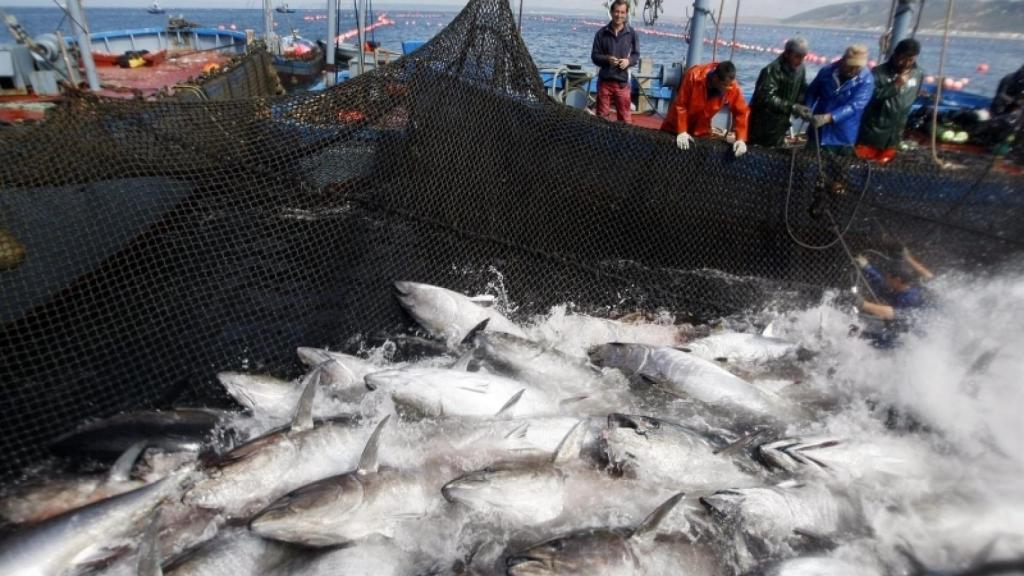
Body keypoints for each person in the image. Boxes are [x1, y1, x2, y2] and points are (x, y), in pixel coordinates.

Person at [660, 60, 750, 157]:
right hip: (675, 126)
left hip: (701, 131)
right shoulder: (693, 75)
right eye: (724, 85)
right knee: (665, 154)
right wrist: (682, 131)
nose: (727, 88)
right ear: (715, 78)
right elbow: (681, 105)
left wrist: (741, 139)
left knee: (698, 161)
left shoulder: (731, 86)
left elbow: (741, 112)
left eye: (729, 85)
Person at [856, 39, 925, 164]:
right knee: (861, 164)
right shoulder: (878, 73)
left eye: (911, 60)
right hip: (873, 131)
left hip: (895, 133)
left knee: (884, 166)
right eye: (904, 58)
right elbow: (867, 97)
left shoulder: (918, 73)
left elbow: (913, 95)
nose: (906, 63)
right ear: (896, 54)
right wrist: (894, 86)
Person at [853, 248, 933, 347]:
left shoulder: (911, 297)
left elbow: (893, 314)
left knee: (864, 339)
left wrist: (861, 303)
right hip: (898, 332)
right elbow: (880, 282)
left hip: (912, 341)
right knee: (858, 334)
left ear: (897, 280)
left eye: (888, 277)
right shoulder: (899, 289)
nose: (886, 279)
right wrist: (866, 266)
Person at [804, 44, 875, 155]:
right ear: (843, 60)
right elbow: (812, 92)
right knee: (808, 162)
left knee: (839, 168)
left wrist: (831, 117)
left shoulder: (866, 80)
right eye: (850, 66)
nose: (853, 70)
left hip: (843, 134)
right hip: (818, 130)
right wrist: (807, 108)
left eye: (858, 68)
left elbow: (856, 105)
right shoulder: (826, 72)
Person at [748, 38, 811, 148]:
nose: (801, 60)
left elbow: (802, 88)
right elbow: (766, 98)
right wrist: (793, 107)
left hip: (782, 124)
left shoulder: (800, 69)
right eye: (797, 56)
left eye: (803, 57)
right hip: (762, 125)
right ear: (787, 53)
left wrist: (804, 105)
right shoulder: (771, 70)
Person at [591, 0, 639, 123]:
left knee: (625, 120)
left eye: (622, 12)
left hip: (622, 84)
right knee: (601, 120)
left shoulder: (632, 34)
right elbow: (595, 56)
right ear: (611, 12)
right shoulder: (601, 33)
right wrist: (607, 60)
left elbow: (636, 55)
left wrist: (628, 61)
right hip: (604, 83)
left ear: (626, 14)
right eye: (616, 11)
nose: (619, 15)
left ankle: (624, 141)